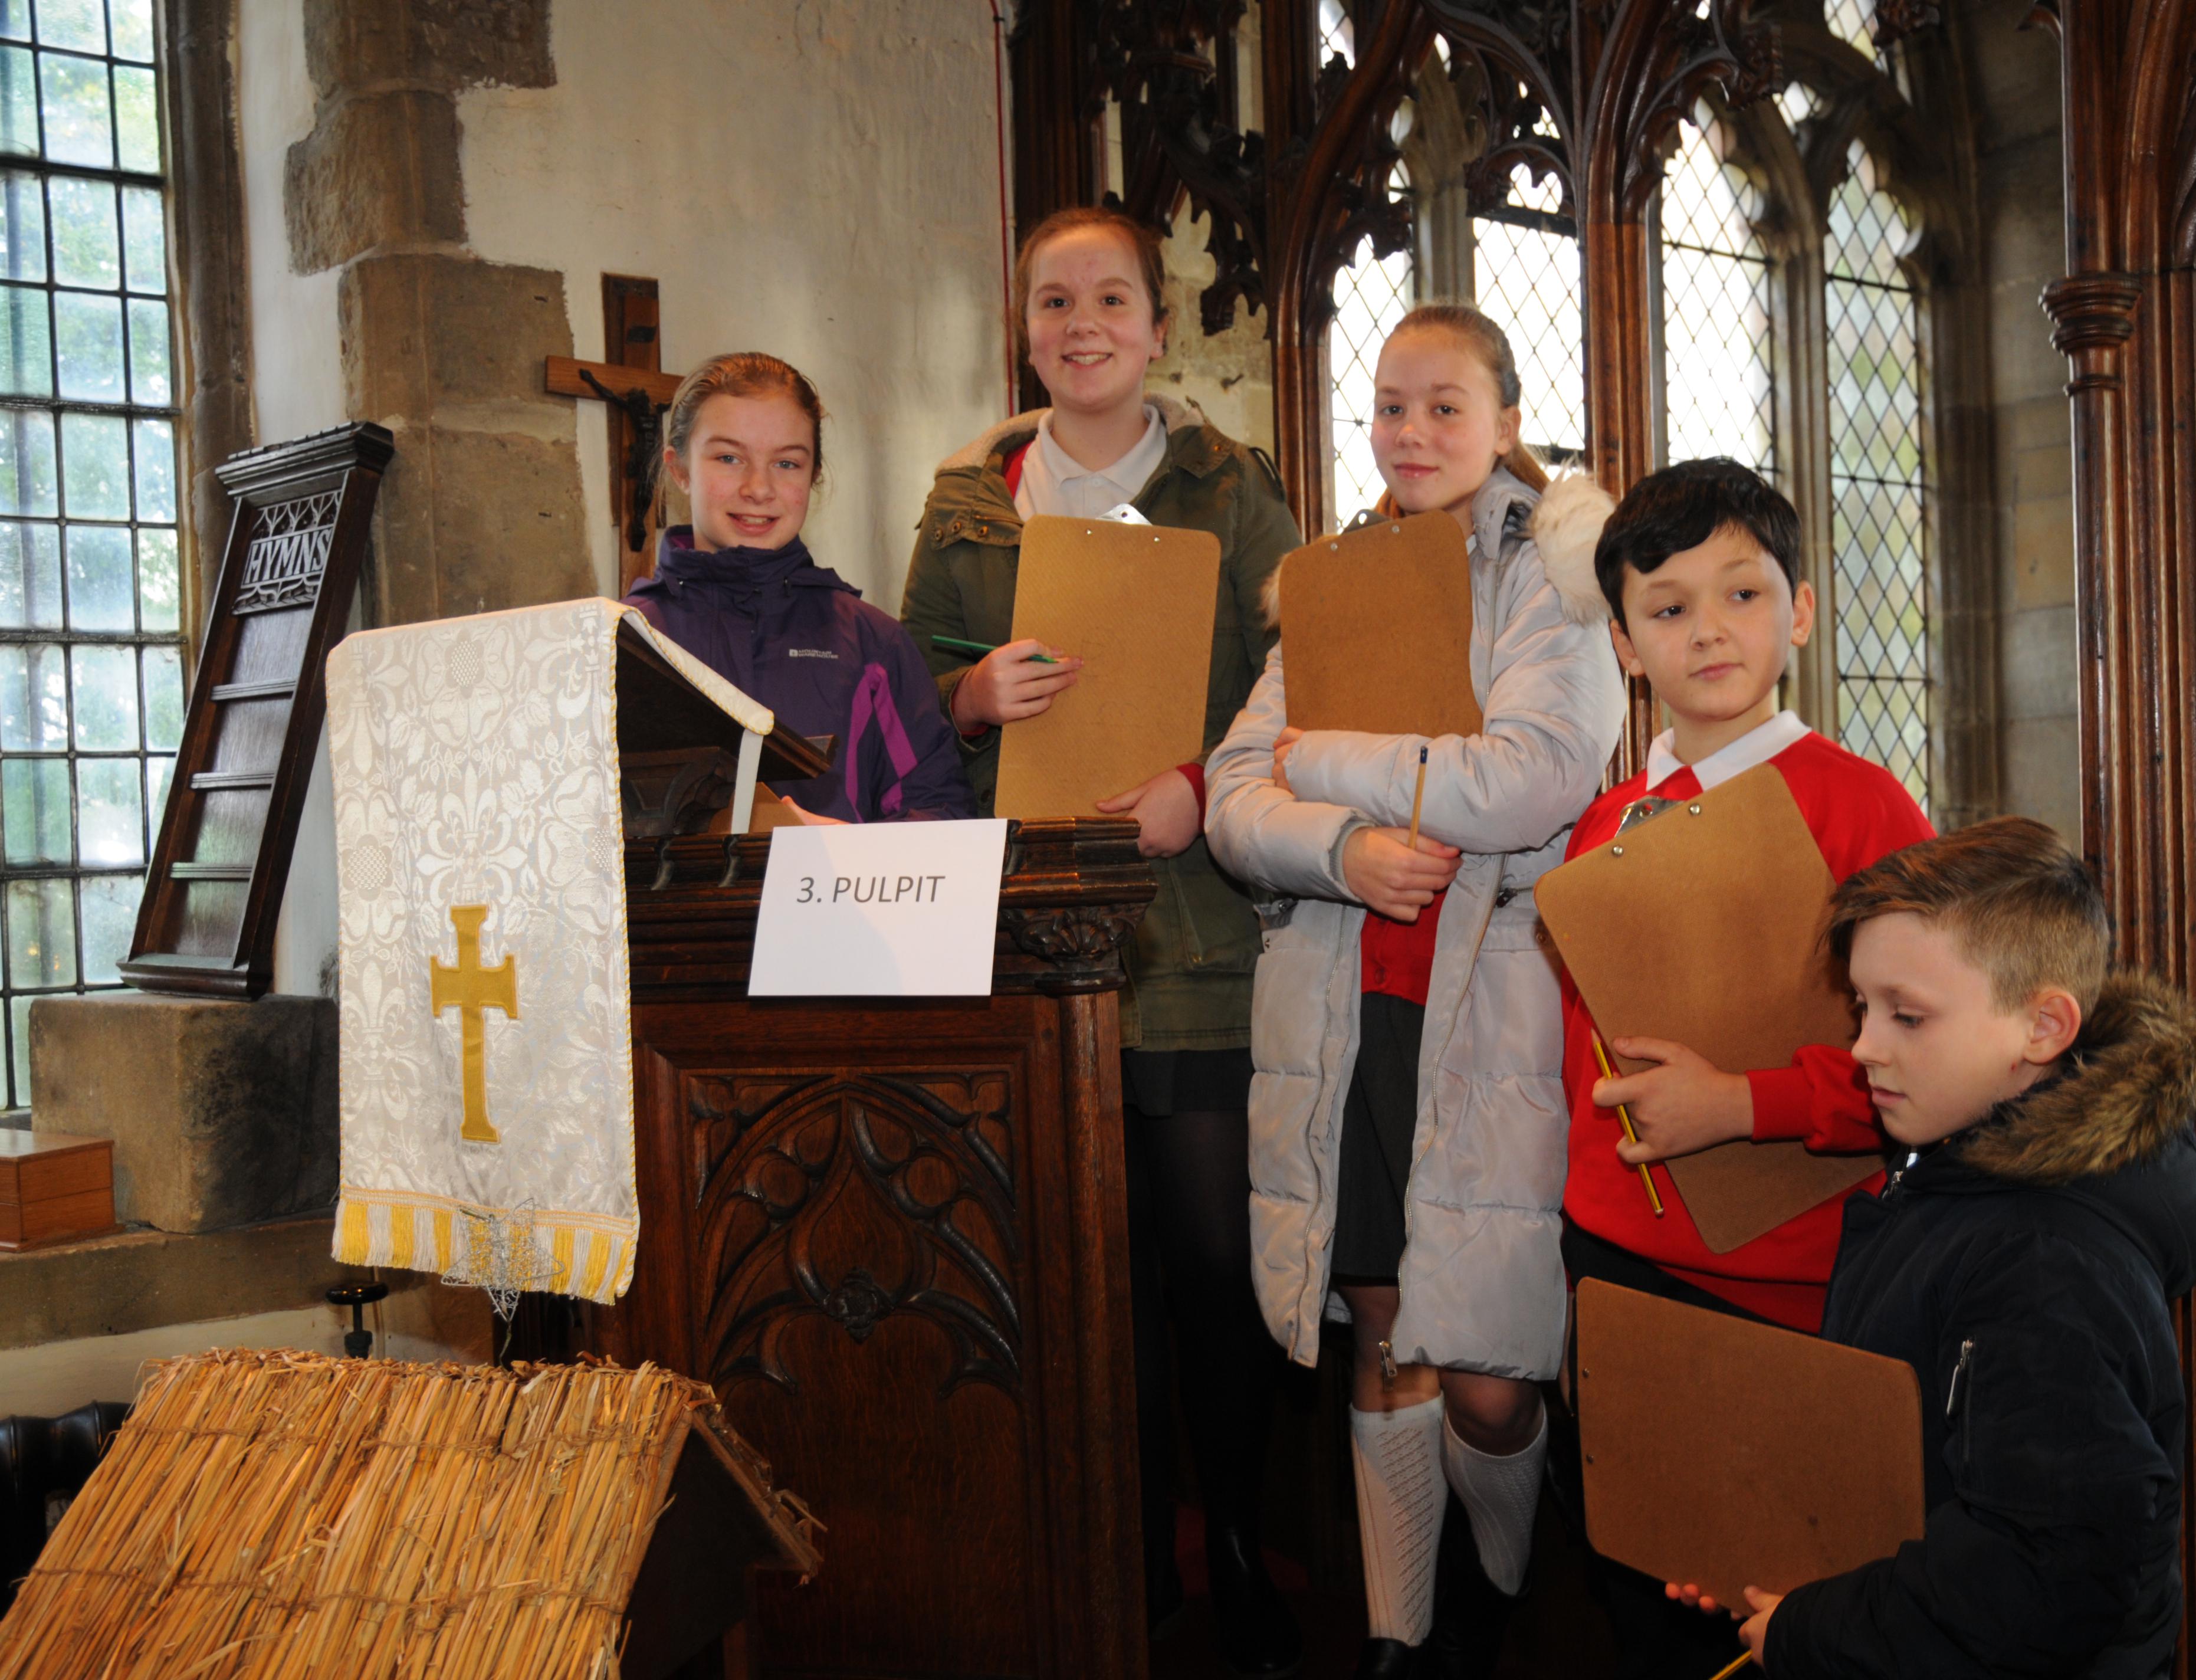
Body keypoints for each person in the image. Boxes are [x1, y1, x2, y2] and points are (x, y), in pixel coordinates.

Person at [898, 206, 1304, 1674]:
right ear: (1024, 330)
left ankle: (1238, 1539)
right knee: (1088, 1273)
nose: (1083, 325)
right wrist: (965, 698)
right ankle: (1127, 1554)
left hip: (1192, 933)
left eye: (1111, 299)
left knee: (1211, 1264)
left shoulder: (1227, 486)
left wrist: (1205, 781)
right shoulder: (967, 502)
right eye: (1055, 302)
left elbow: (1303, 671)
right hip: (1028, 938)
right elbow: (902, 693)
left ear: (1155, 325)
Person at [1206, 303, 1626, 1678]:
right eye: (1390, 405)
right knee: (1382, 1328)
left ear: (1504, 420)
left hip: (1497, 1009)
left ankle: (1501, 1585)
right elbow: (1229, 797)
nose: (1412, 431)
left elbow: (1533, 778)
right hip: (1348, 1005)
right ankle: (1401, 1634)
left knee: (1492, 1373)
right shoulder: (1333, 579)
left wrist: (1324, 760)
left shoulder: (1554, 571)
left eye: (1445, 405)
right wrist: (1344, 849)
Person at [1672, 817, 2196, 1676]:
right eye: (1862, 1008)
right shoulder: (1956, 1162)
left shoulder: (2045, 1259)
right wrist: (1777, 1561)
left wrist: (1813, 1631)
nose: (1864, 1047)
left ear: (2043, 1026)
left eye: (1908, 1015)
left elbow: (2047, 1574)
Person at [1553, 459, 1931, 1673]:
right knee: (1640, 1595)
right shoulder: (1603, 824)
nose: (1706, 629)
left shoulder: (1864, 809)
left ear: (1799, 610)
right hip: (1613, 1266)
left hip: (1788, 1281)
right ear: (1624, 644)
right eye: (1667, 607)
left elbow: (1922, 1066)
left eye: (1741, 594)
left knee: (1779, 1617)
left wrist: (1737, 1103)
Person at [623, 352, 973, 823]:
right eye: (729, 458)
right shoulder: (626, 642)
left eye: (787, 463)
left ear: (814, 476)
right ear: (680, 469)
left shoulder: (874, 644)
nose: (758, 488)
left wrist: (846, 850)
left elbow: (941, 811)